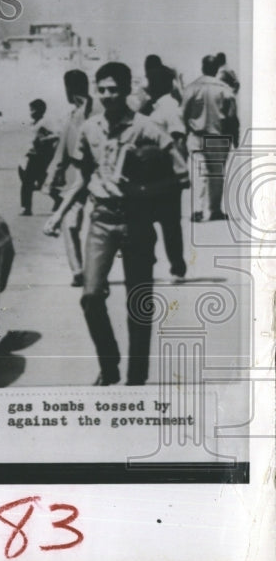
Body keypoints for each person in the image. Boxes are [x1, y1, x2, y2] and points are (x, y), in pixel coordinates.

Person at [44, 62, 188, 386]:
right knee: (91, 296)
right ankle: (109, 364)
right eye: (102, 89)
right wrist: (58, 213)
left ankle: (136, 377)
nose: (108, 95)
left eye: (114, 89)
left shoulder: (147, 128)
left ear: (125, 91)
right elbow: (82, 176)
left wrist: (143, 189)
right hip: (101, 221)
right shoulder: (90, 128)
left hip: (137, 221)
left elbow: (181, 175)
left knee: (138, 302)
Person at [47, 69, 94, 287]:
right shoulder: (85, 113)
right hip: (88, 179)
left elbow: (61, 154)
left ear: (68, 89)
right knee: (74, 224)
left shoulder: (76, 116)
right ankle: (81, 271)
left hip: (80, 179)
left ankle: (78, 270)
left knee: (70, 223)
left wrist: (51, 180)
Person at [182, 54, 239, 222]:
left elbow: (183, 114)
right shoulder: (225, 90)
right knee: (216, 174)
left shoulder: (191, 88)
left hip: (196, 136)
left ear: (202, 67)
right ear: (216, 69)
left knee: (198, 174)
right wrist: (235, 139)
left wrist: (185, 132)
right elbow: (232, 119)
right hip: (217, 137)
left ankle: (197, 210)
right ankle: (214, 210)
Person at [146, 65, 188, 279]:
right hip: (154, 174)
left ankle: (177, 264)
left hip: (167, 174)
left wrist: (180, 173)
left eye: (151, 81)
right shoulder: (157, 106)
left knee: (169, 223)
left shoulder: (169, 107)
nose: (147, 86)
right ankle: (163, 260)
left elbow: (178, 140)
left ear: (160, 84)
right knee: (151, 220)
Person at [17, 99, 59, 216]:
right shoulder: (33, 123)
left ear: (40, 110)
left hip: (41, 156)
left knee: (28, 182)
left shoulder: (45, 122)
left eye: (33, 110)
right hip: (32, 155)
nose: (31, 112)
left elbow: (58, 134)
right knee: (42, 181)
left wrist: (45, 139)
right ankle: (59, 199)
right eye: (30, 109)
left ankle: (26, 208)